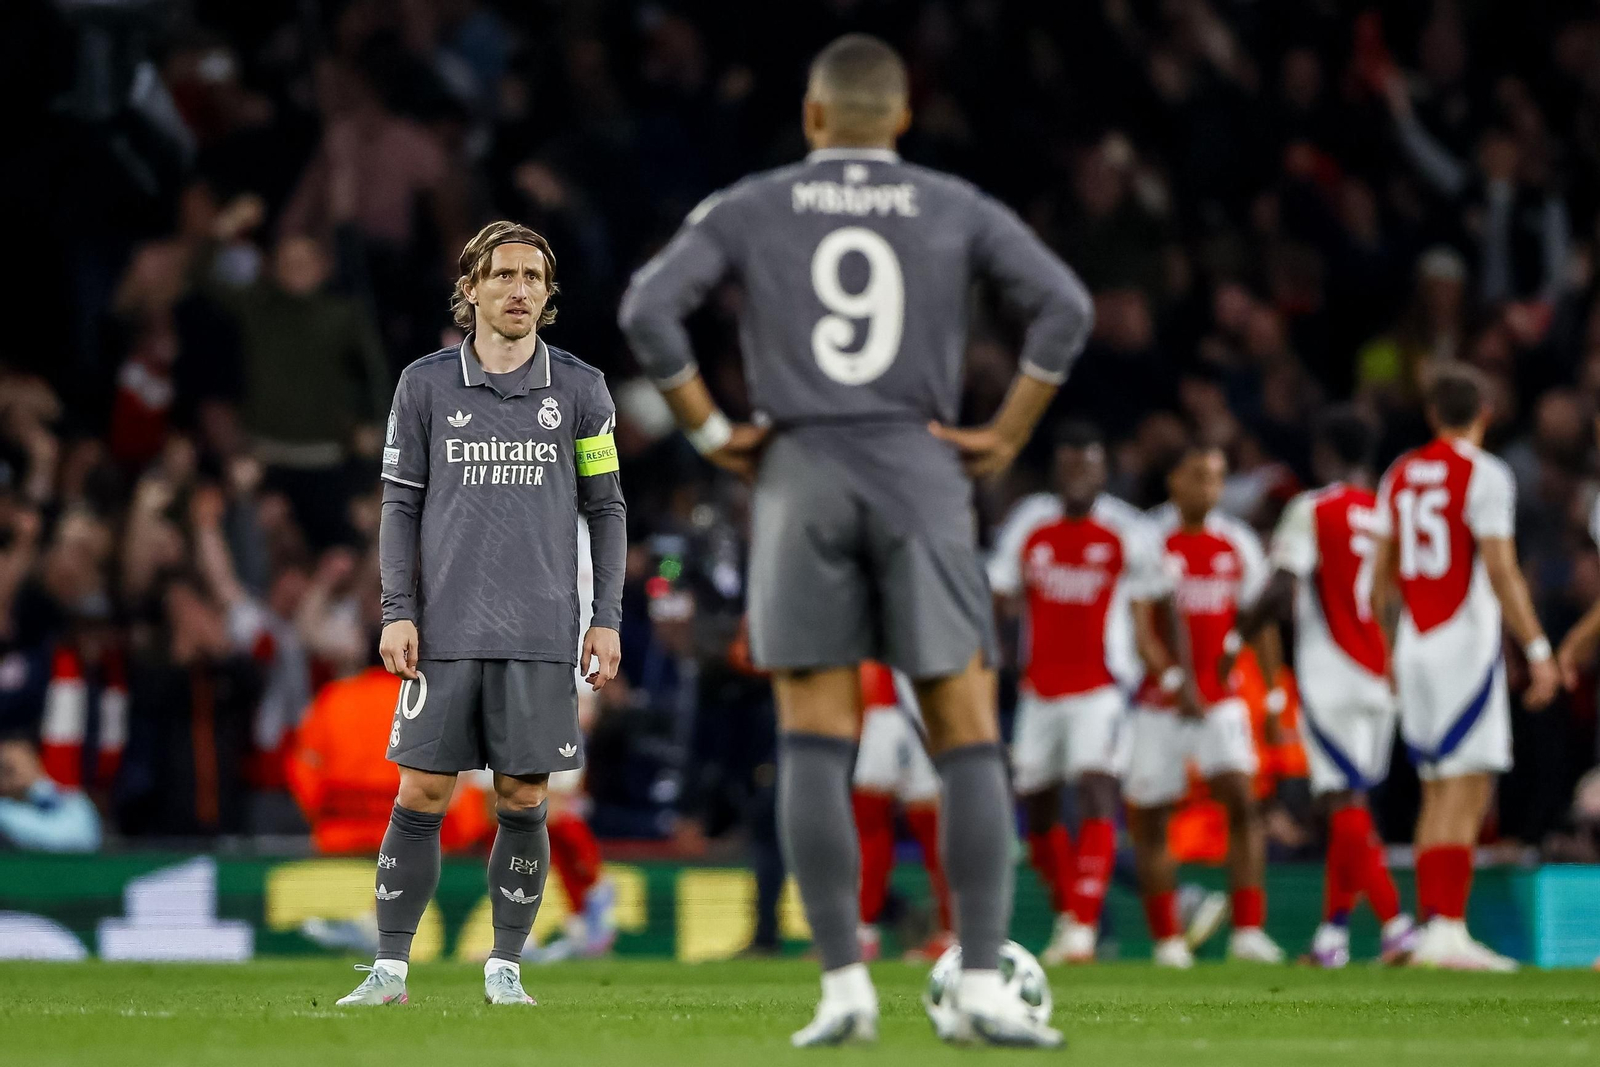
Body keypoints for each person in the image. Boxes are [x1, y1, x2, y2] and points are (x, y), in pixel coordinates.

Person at [620, 33, 1091, 1048]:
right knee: (966, 733)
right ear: (902, 119)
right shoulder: (953, 203)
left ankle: (841, 984)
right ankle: (977, 983)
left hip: (797, 473)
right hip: (921, 468)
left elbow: (648, 308)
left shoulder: (751, 203)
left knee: (813, 739)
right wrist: (1006, 431)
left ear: (814, 116)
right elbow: (1065, 305)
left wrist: (711, 431)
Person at [337, 221, 626, 1008]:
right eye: (503, 275)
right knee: (422, 793)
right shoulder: (424, 385)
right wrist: (398, 610)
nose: (520, 289)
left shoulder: (582, 388)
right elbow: (399, 504)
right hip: (445, 630)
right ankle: (389, 970)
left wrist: (607, 616)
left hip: (541, 633)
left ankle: (505, 968)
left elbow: (606, 508)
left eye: (534, 277)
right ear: (470, 289)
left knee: (525, 798)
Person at [1370, 365, 1558, 970]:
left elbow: (1381, 580)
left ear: (1431, 415)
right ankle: (1447, 928)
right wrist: (1537, 650)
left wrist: (1388, 650)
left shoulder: (1399, 474)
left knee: (1434, 787)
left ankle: (1433, 925)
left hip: (1415, 644)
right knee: (1467, 785)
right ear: (1486, 412)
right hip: (1462, 641)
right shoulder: (1485, 474)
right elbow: (1500, 569)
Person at [1228, 407, 1419, 967]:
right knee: (1350, 805)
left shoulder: (1311, 510)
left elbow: (1280, 590)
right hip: (1382, 676)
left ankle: (1396, 923)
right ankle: (1332, 939)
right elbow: (1395, 599)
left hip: (1330, 674)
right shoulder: (1388, 516)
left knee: (1340, 801)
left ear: (1324, 454)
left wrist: (1234, 640)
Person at [986, 421, 1157, 964]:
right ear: (1055, 469)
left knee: (1095, 789)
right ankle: (1071, 915)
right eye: (1068, 464)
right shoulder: (1029, 522)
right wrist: (1001, 653)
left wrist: (1167, 672)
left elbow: (1160, 599)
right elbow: (999, 593)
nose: (1078, 474)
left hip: (1102, 686)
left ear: (1104, 469)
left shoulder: (1129, 530)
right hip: (1040, 689)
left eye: (1088, 463)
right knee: (1036, 812)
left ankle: (1083, 923)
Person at [1125, 445, 1285, 968]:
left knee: (1241, 800)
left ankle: (1248, 932)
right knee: (1151, 818)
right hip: (1156, 704)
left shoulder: (1236, 541)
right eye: (1198, 477)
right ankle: (1167, 940)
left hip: (1222, 701)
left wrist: (1274, 696)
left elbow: (1258, 620)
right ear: (1175, 480)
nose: (1209, 490)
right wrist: (1173, 681)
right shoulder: (1149, 538)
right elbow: (1140, 626)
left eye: (1217, 479)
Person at [851, 661, 953, 963]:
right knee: (870, 825)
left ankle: (951, 935)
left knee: (933, 828)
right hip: (885, 708)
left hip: (912, 706)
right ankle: (862, 932)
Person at [0, 734, 102, 852]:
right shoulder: (4, 810)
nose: (16, 772)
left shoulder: (71, 798)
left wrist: (37, 788)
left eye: (13, 767)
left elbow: (83, 839)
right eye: (4, 768)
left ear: (36, 761)